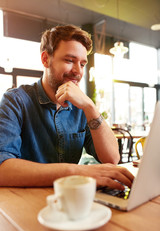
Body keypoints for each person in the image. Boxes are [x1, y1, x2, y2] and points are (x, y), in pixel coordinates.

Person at [0, 25, 134, 189]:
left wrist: (90, 107)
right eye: (69, 60)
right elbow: (2, 169)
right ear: (45, 59)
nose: (78, 71)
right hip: (26, 202)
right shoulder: (15, 101)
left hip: (71, 201)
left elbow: (112, 159)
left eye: (83, 64)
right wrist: (76, 171)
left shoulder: (81, 106)